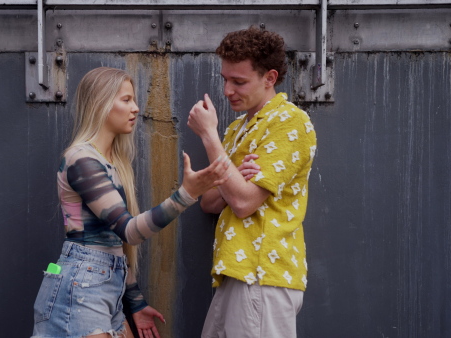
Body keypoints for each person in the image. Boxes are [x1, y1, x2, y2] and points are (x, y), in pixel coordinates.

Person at [31, 67, 231, 338]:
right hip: (81, 286)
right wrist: (186, 194)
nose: (136, 108)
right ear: (101, 104)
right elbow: (129, 231)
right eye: (126, 100)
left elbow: (117, 245)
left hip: (103, 285)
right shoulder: (82, 161)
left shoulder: (113, 164)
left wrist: (134, 301)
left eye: (134, 100)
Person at [187, 27, 317, 337]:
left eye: (239, 81)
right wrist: (232, 177)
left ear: (269, 78)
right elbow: (208, 202)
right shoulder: (236, 130)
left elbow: (243, 202)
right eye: (225, 79)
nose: (228, 90)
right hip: (236, 272)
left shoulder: (290, 122)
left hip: (263, 277)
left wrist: (208, 136)